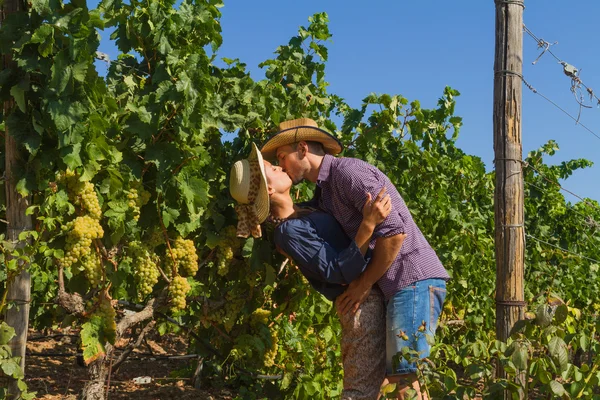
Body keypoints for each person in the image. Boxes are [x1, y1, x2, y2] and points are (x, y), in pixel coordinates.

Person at [261, 118, 450, 399]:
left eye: (281, 157)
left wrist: (363, 283)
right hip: (394, 286)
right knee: (393, 378)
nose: (282, 165)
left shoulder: (348, 174)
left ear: (302, 148)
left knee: (406, 378)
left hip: (410, 279)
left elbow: (394, 235)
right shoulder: (324, 194)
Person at [230, 143, 392, 399]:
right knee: (359, 392)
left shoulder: (306, 210)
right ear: (269, 189)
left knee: (388, 383)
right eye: (272, 168)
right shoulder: (288, 232)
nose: (279, 165)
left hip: (373, 296)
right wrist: (368, 225)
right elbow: (339, 272)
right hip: (360, 305)